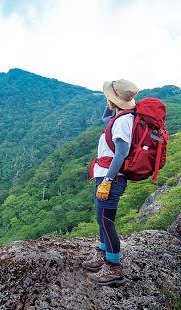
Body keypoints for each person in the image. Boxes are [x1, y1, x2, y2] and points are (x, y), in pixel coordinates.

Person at [82, 79, 139, 286]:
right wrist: (113, 106)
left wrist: (107, 180)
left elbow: (121, 153)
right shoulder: (120, 117)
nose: (107, 99)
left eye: (109, 97)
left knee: (107, 222)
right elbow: (106, 118)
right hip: (106, 175)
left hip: (111, 178)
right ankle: (103, 253)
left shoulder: (124, 121)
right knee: (101, 219)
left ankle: (114, 267)